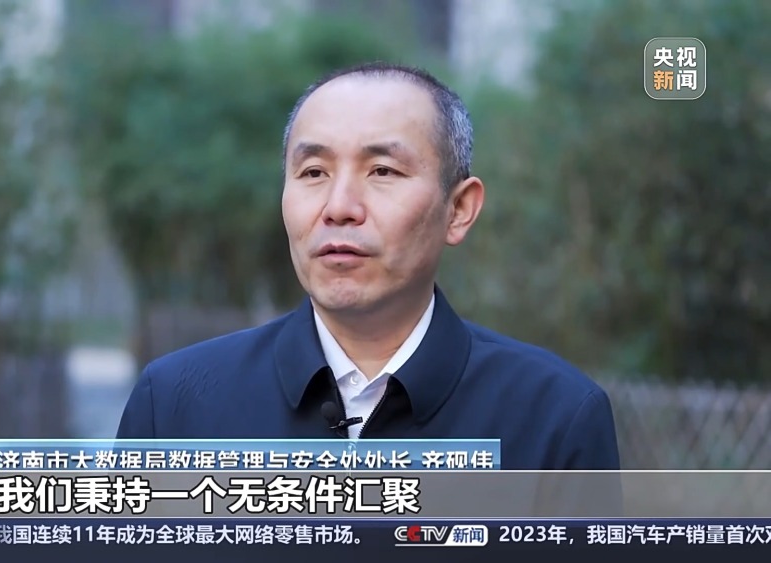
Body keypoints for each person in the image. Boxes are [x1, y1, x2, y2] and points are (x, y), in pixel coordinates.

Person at [115, 61, 621, 471]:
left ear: (459, 209)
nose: (339, 207)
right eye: (314, 172)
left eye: (382, 170)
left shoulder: (554, 418)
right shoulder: (175, 404)